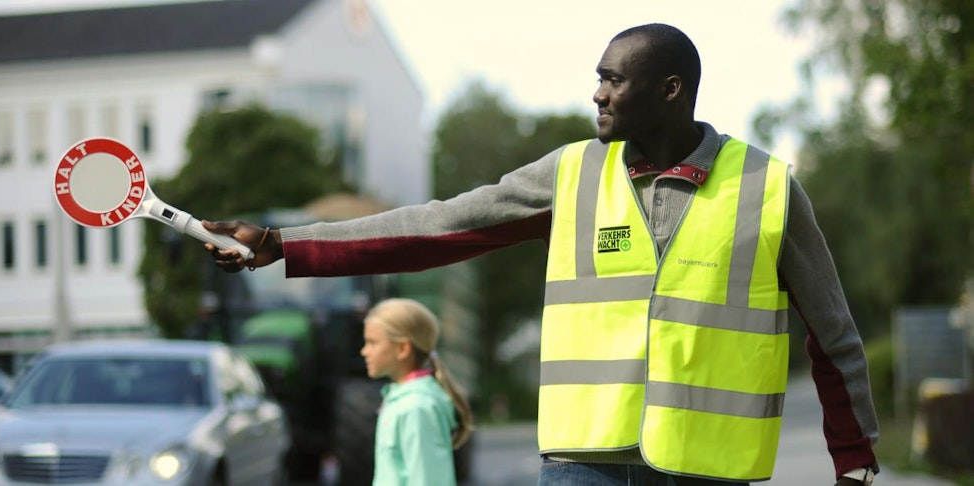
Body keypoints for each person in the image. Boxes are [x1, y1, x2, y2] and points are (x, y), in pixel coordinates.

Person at [203, 23, 879, 486]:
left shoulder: (765, 187)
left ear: (670, 90)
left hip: (710, 470)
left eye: (614, 80)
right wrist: (282, 245)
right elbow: (436, 226)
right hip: (581, 465)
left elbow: (833, 334)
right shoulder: (571, 174)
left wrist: (854, 461)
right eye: (598, 78)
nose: (598, 93)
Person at [360, 298, 474, 486]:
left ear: (403, 349)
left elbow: (426, 479)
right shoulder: (398, 399)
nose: (364, 351)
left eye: (372, 343)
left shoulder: (416, 407)